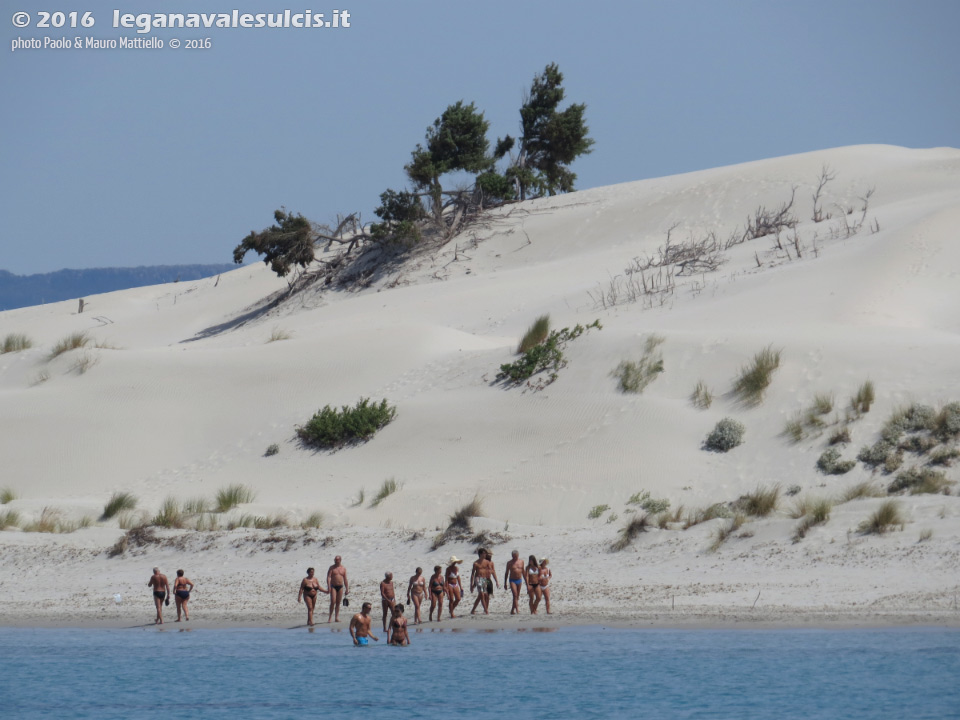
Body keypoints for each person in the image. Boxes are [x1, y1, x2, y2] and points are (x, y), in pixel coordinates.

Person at [470, 548, 498, 615]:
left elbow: (491, 571)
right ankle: (486, 610)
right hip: (478, 578)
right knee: (482, 594)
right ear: (480, 554)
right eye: (484, 553)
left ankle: (473, 610)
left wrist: (495, 580)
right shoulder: (476, 563)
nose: (485, 555)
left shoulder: (487, 562)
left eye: (485, 553)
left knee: (483, 595)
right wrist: (472, 584)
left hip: (485, 579)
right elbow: (472, 574)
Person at [326, 555, 349, 623]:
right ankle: (330, 617)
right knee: (333, 601)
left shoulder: (343, 568)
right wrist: (329, 586)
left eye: (337, 559)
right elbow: (329, 577)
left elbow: (345, 579)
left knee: (338, 603)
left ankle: (336, 617)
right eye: (335, 559)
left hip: (340, 586)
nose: (336, 561)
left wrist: (347, 588)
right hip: (333, 586)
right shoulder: (332, 568)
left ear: (340, 560)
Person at [504, 550, 525, 615]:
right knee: (515, 595)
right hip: (512, 580)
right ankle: (517, 609)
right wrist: (505, 583)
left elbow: (523, 571)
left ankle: (512, 610)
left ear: (518, 555)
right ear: (512, 556)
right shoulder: (509, 563)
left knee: (517, 596)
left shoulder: (521, 561)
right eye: (513, 556)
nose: (515, 558)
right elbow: (507, 573)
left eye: (516, 556)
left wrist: (526, 582)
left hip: (519, 580)